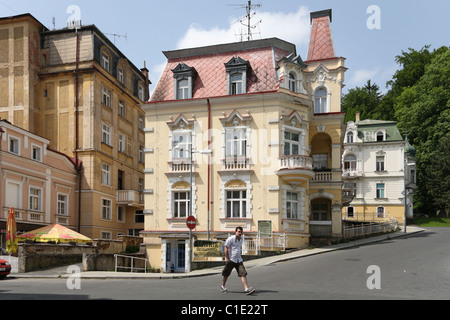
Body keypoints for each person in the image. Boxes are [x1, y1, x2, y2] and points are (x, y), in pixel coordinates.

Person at [221, 226, 255, 295]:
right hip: (231, 259)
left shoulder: (241, 239)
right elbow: (226, 247)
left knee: (243, 273)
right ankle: (223, 286)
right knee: (226, 274)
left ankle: (246, 289)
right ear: (236, 232)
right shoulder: (231, 239)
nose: (240, 233)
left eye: (241, 232)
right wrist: (227, 258)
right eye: (238, 231)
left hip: (239, 260)